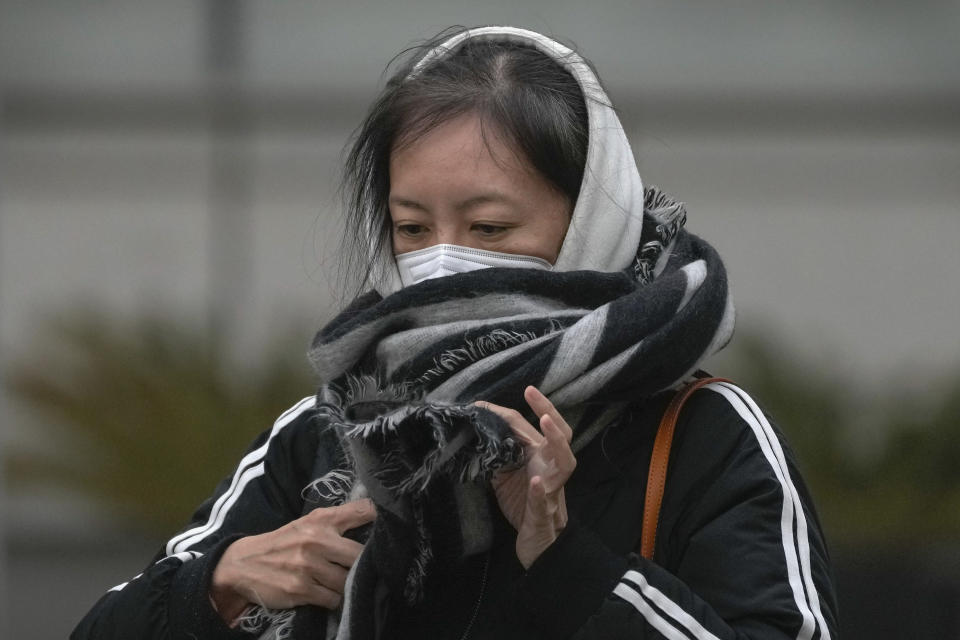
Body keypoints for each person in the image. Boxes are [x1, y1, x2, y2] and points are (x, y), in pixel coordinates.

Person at [72, 26, 839, 640]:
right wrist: (225, 582)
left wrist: (566, 564)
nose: (444, 261)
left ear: (589, 224)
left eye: (490, 226)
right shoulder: (331, 432)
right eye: (412, 227)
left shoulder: (704, 435)